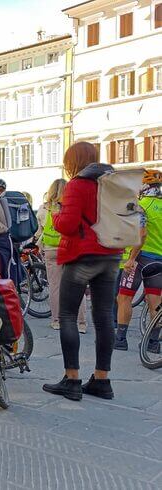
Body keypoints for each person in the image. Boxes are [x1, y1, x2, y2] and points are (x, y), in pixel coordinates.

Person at [42, 142, 121, 401]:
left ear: (73, 162)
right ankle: (102, 380)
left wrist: (54, 216)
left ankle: (72, 379)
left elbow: (68, 224)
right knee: (104, 318)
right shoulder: (113, 183)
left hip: (82, 256)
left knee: (67, 315)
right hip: (111, 256)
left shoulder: (77, 184)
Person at [114, 170, 162, 353]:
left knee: (124, 297)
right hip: (159, 259)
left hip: (141, 258)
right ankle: (153, 343)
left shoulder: (141, 206)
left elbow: (141, 235)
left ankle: (120, 340)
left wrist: (131, 258)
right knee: (155, 302)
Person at [36, 179, 87, 333]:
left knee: (55, 286)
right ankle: (81, 323)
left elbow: (39, 231)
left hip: (51, 250)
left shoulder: (44, 209)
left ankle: (57, 321)